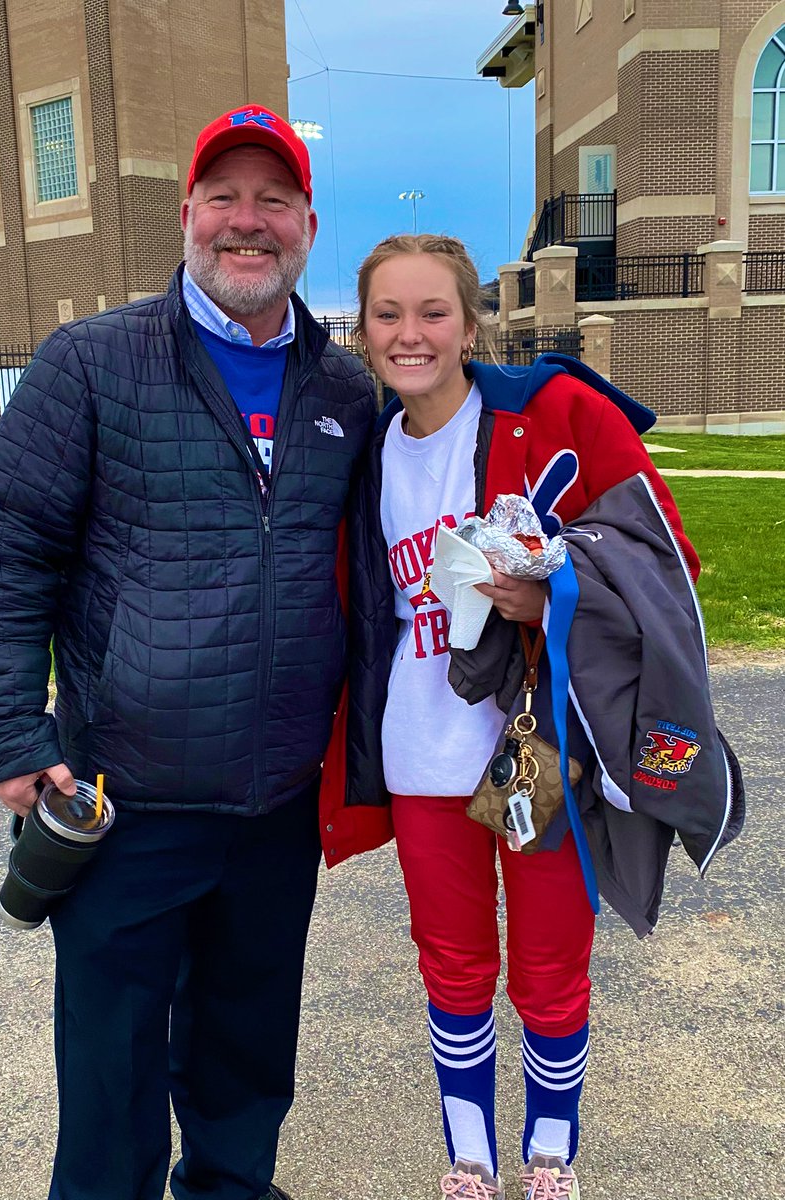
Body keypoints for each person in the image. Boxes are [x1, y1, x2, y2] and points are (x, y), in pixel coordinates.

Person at [0, 104, 378, 1200]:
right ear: (187, 215)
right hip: (124, 799)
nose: (249, 223)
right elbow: (8, 550)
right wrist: (7, 729)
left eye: (272, 201)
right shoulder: (91, 364)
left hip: (275, 804)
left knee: (244, 1063)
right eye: (226, 199)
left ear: (308, 226)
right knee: (111, 1073)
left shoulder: (342, 390)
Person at [315, 234, 742, 1200]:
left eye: (434, 313)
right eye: (388, 315)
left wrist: (550, 594)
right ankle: (470, 1156)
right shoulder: (365, 454)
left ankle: (551, 1152)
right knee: (453, 966)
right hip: (424, 756)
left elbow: (669, 559)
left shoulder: (555, 413)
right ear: (365, 333)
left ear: (473, 324)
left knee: (549, 965)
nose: (410, 334)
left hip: (531, 752)